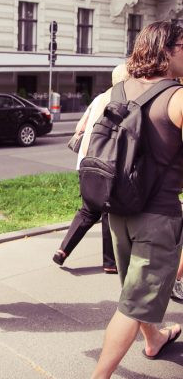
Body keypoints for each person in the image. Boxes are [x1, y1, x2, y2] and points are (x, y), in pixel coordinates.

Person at [91, 21, 183, 378]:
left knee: (135, 290)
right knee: (131, 304)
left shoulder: (118, 90)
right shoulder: (176, 97)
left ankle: (155, 339)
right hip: (158, 216)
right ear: (170, 49)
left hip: (119, 210)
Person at [52, 64, 129, 273]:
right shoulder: (123, 100)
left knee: (88, 209)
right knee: (107, 211)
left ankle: (62, 250)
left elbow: (80, 128)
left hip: (85, 162)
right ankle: (110, 263)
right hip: (106, 163)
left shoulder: (99, 98)